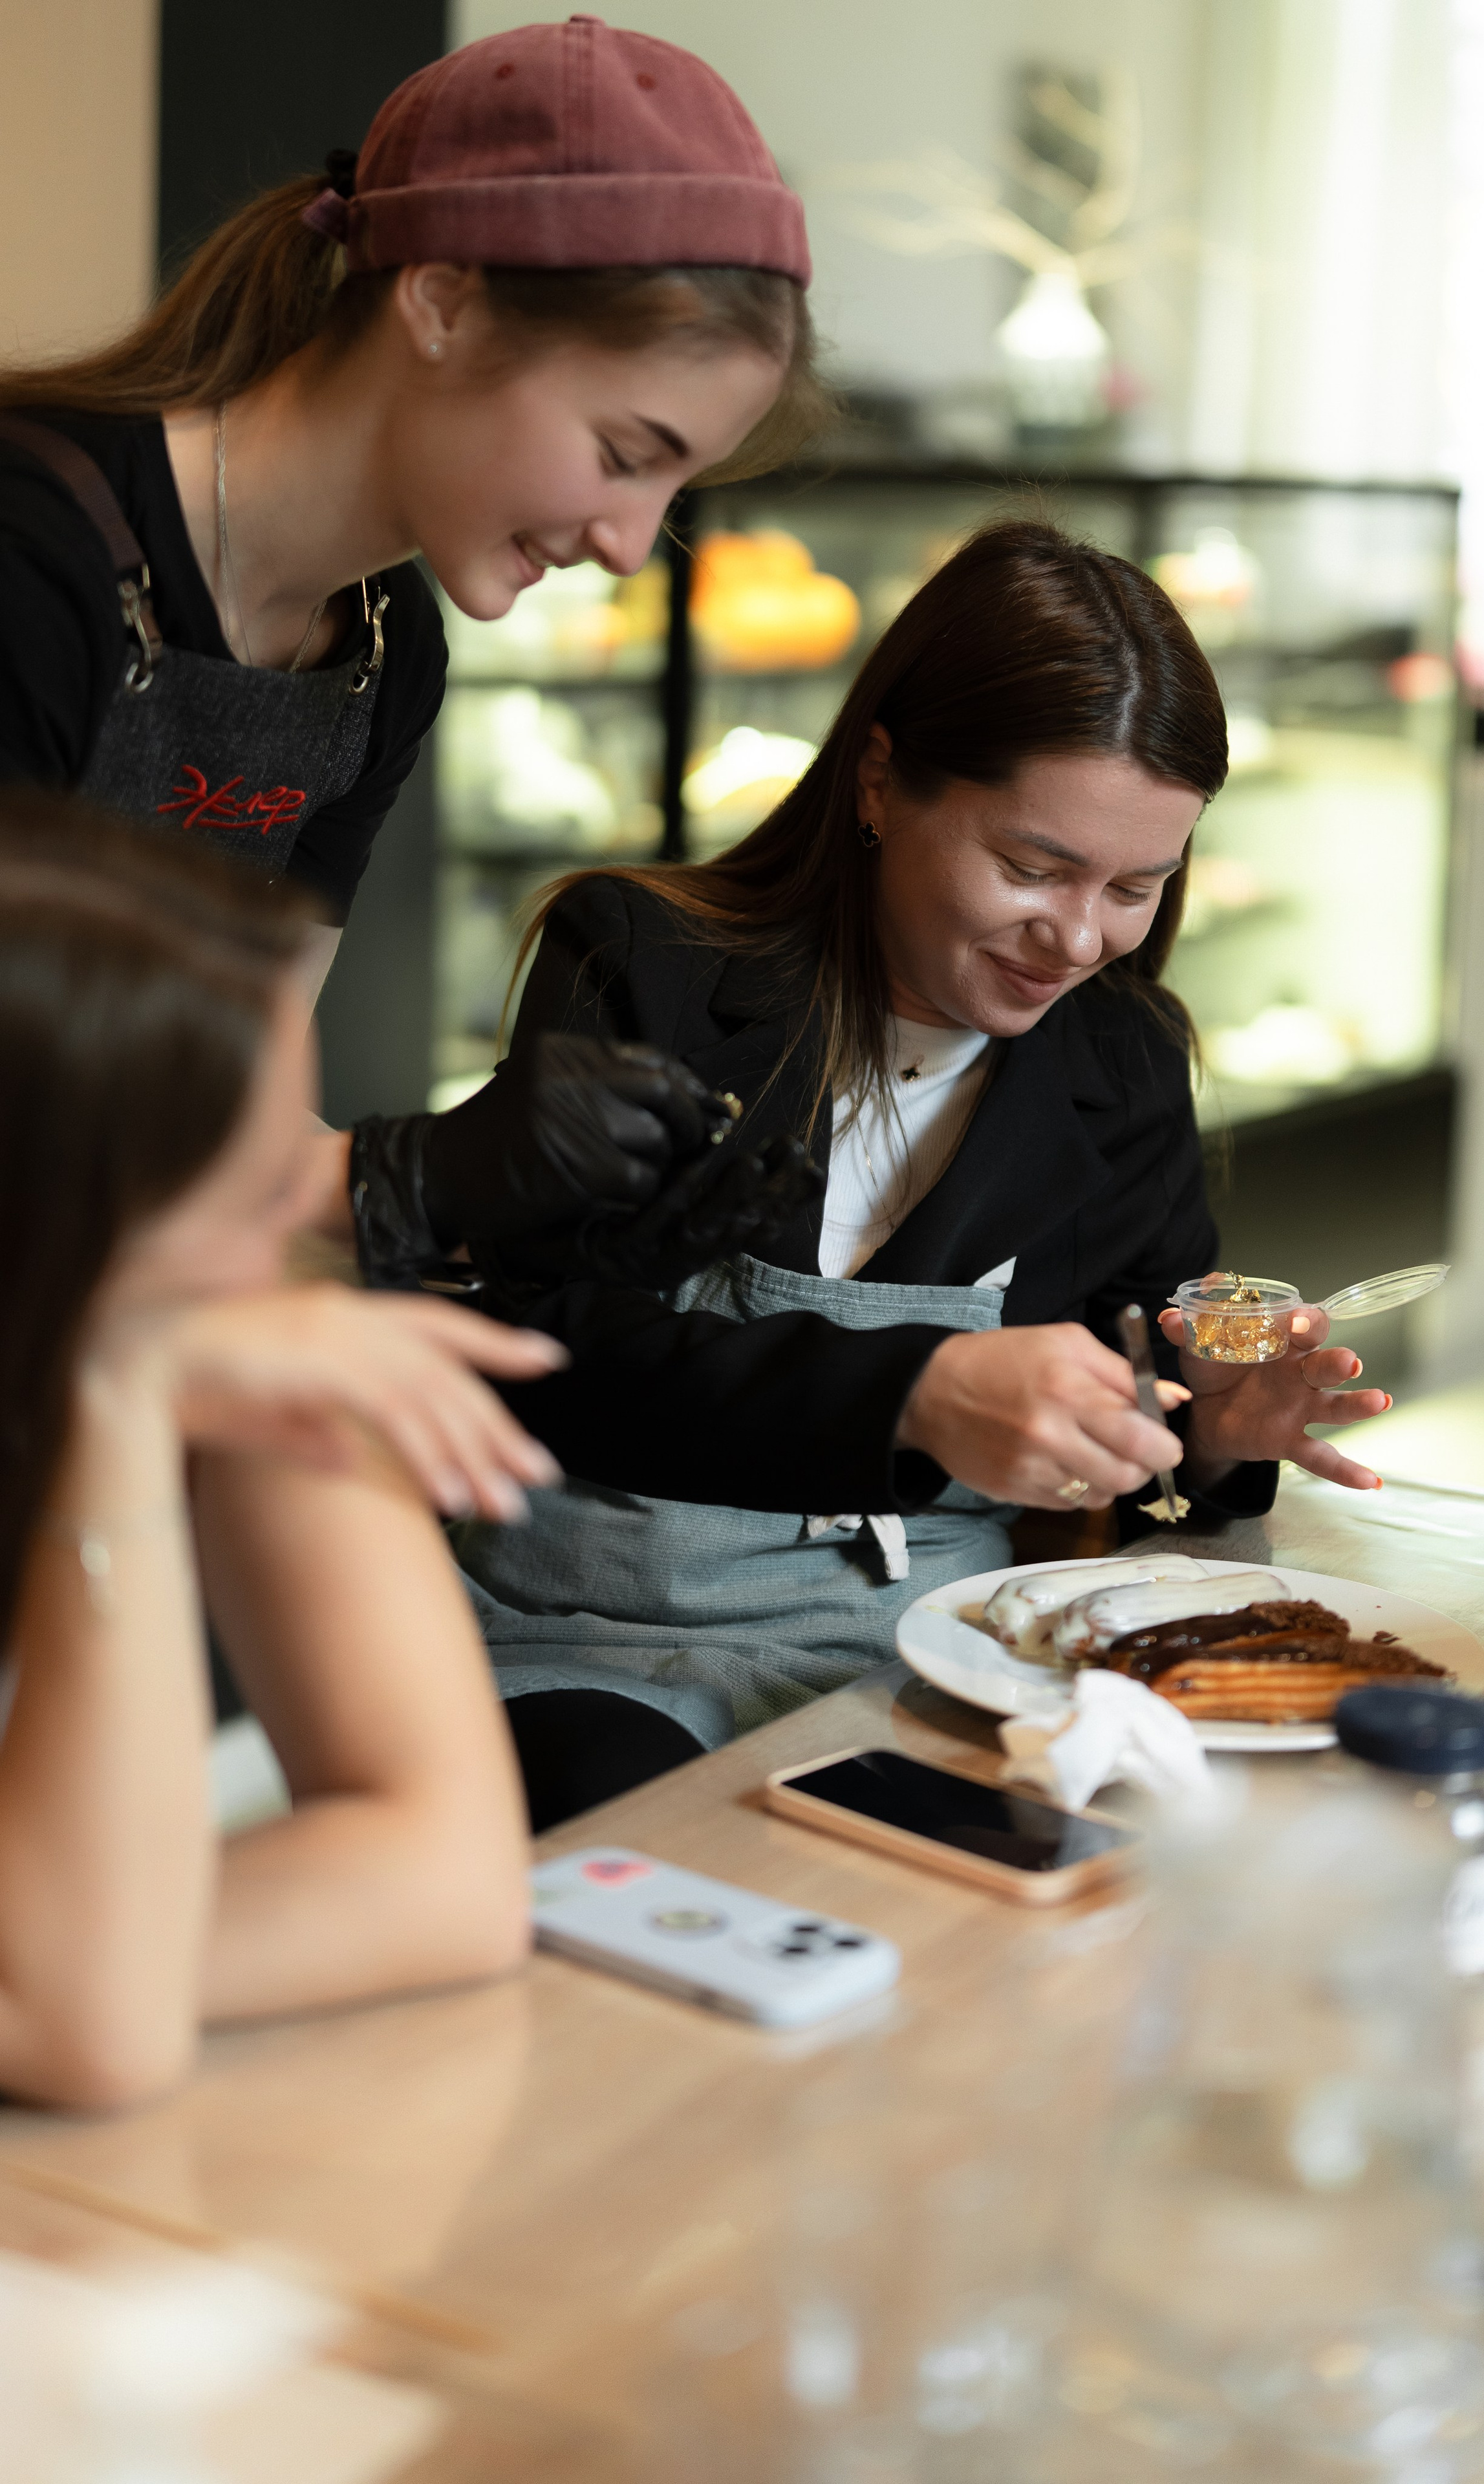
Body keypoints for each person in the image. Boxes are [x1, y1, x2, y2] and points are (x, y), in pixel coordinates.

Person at [448, 521, 1392, 1738]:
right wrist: (914, 1392)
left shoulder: (1123, 1064)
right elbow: (538, 1344)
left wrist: (1211, 1431)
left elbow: (1139, 1397)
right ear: (882, 779)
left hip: (936, 1659)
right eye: (1032, 866)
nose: (1080, 938)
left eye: (1135, 887)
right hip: (591, 1646)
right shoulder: (644, 966)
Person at [0, 15, 821, 1297]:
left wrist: (503, 1221)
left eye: (677, 489)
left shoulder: (381, 656)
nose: (627, 546)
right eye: (622, 454)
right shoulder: (31, 556)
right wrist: (403, 1179)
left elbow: (233, 1127)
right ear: (441, 299)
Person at [0, 791, 574, 2110]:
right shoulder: (153, 1346)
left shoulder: (250, 1342)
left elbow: (453, 1879)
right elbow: (101, 2031)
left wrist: (90, 1966)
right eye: (265, 1194)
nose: (306, 1256)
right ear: (70, 1226)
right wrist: (122, 1388)